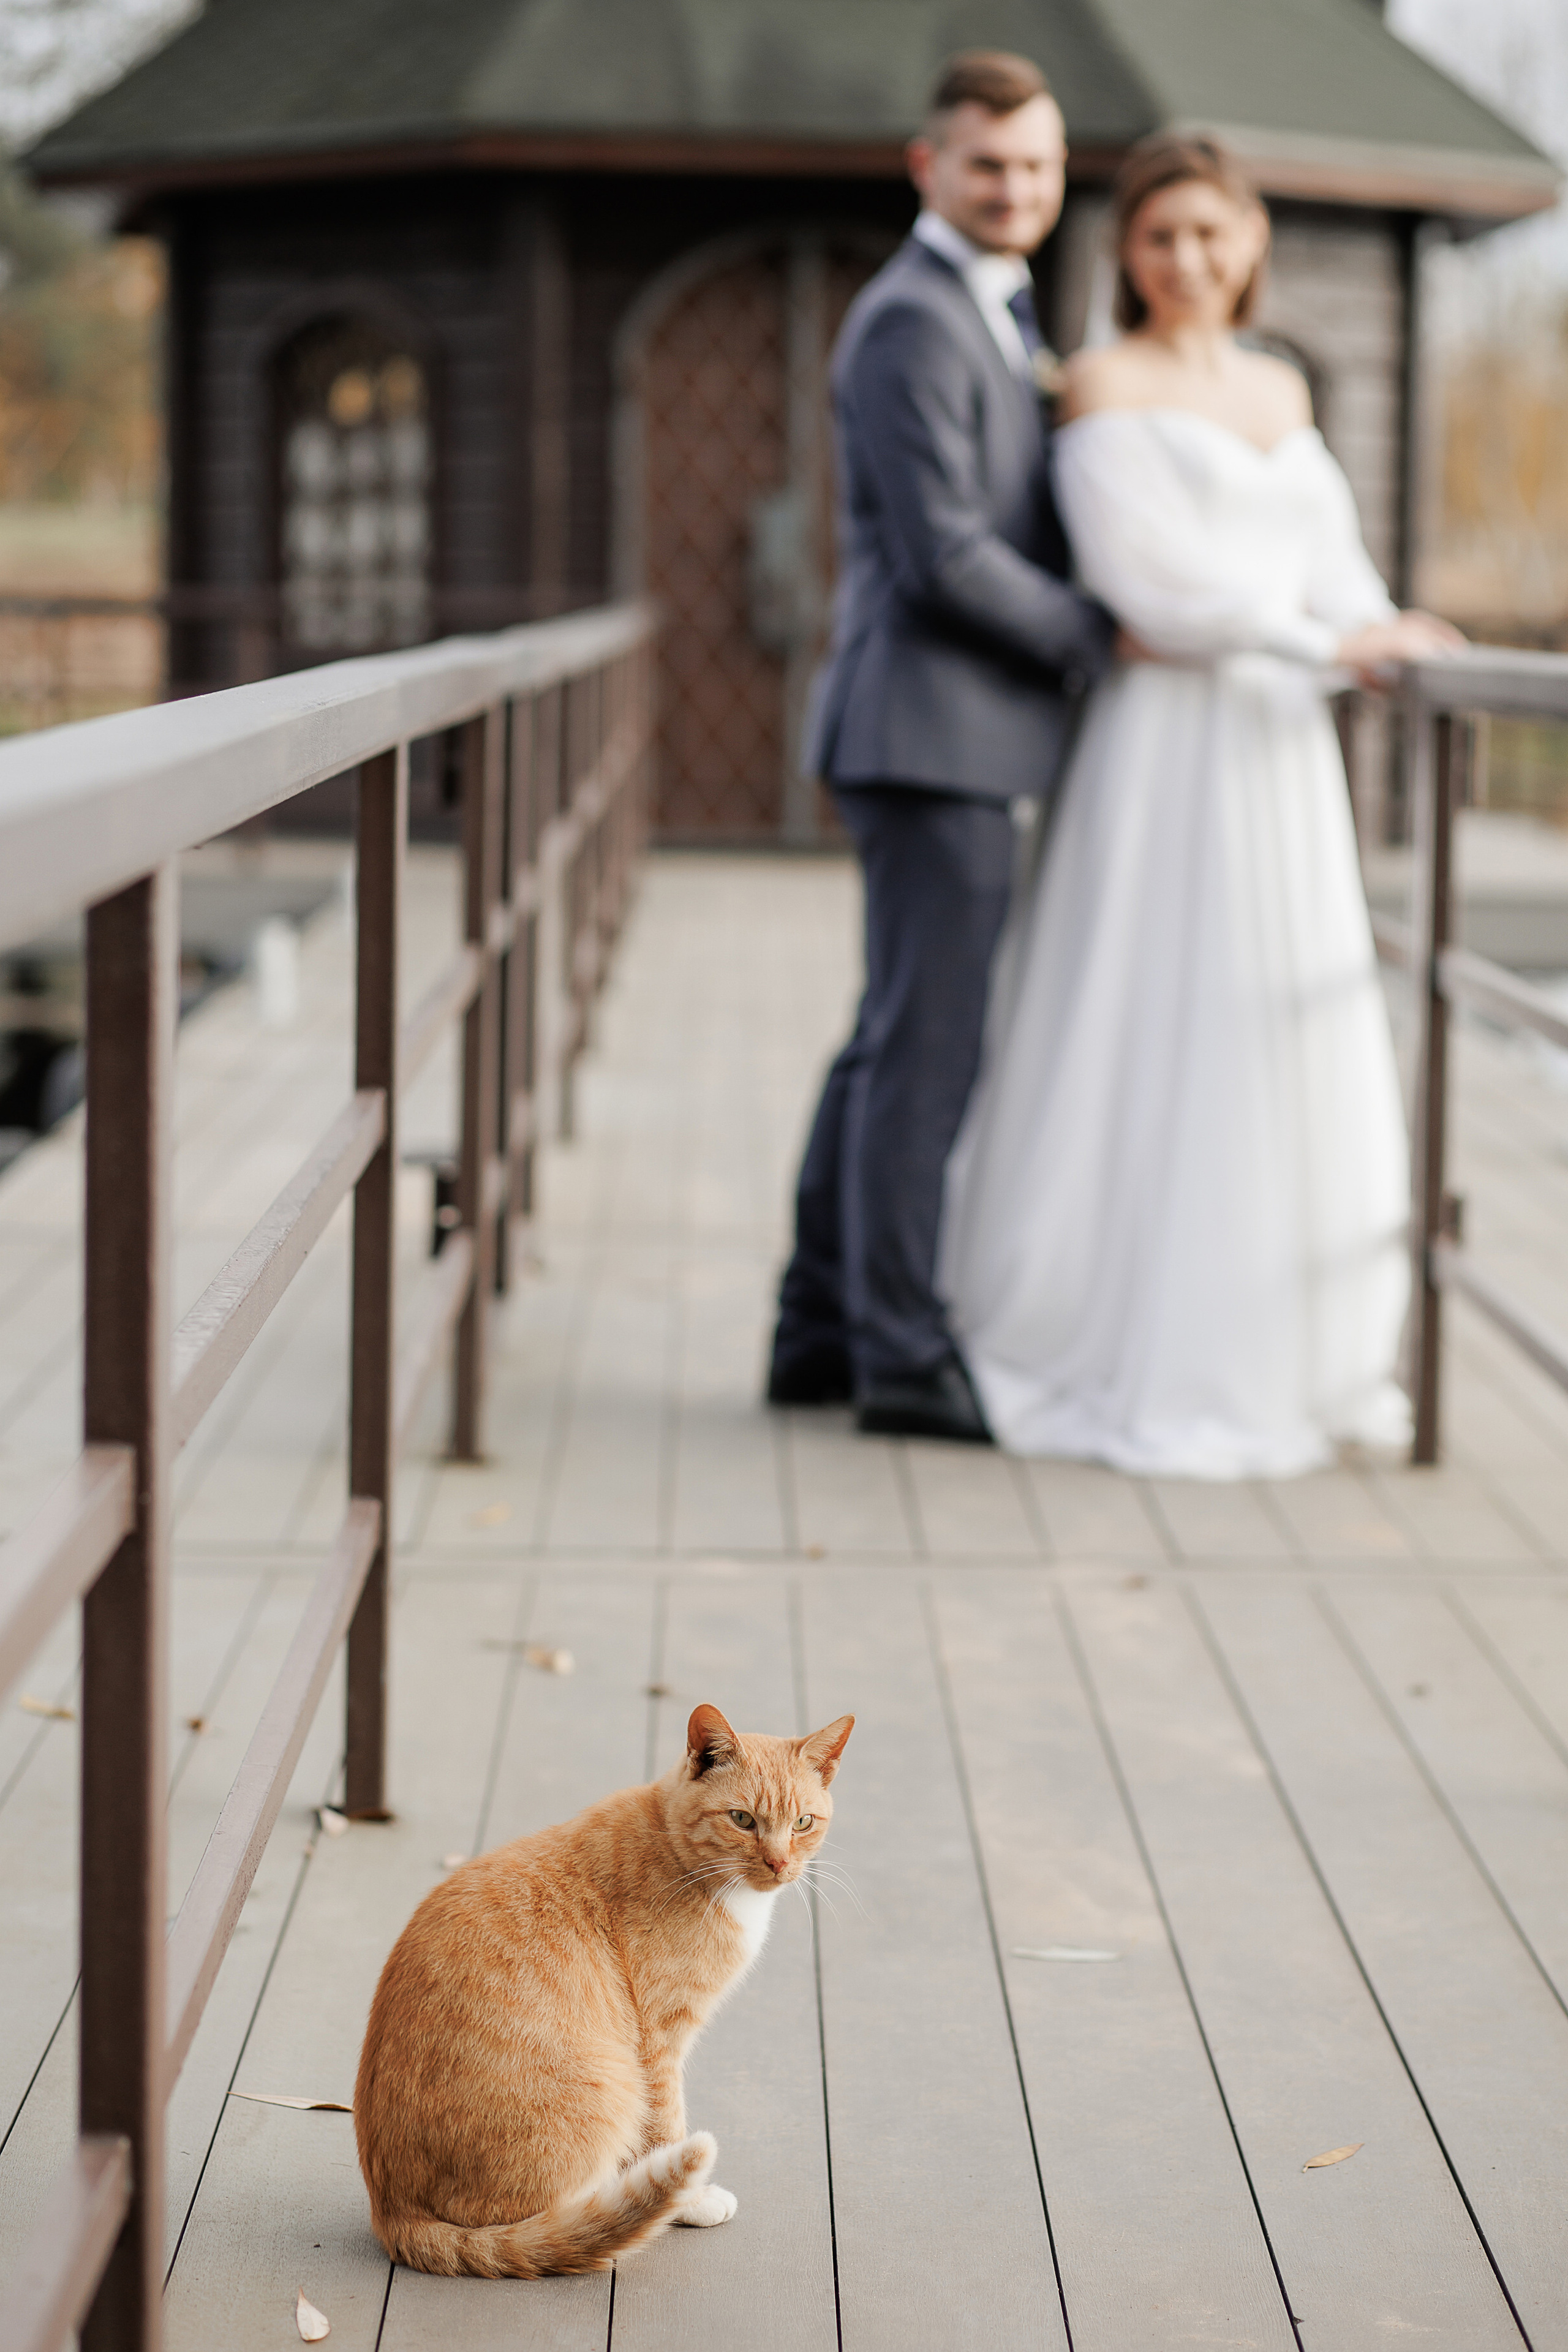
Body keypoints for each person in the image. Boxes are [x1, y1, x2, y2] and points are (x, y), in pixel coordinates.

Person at [939, 134, 1464, 1479]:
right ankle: (1115, 1332)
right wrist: (1321, 646)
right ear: (1125, 254)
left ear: (1250, 247)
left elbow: (1335, 567)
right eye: (1160, 236)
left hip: (1279, 758)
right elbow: (1145, 588)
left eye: (1210, 236)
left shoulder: (1283, 388)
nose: (1187, 261)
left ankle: (1296, 1348)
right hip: (1165, 750)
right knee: (1152, 1017)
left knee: (1277, 1025)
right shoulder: (1098, 386)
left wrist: (1381, 627)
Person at [766, 50, 1116, 1444]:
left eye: (1036, 166)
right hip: (931, 735)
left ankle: (817, 1330)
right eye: (987, 165)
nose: (1015, 189)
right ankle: (901, 1358)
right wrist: (1104, 629)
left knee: (883, 1043)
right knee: (927, 1053)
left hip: (937, 734)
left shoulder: (989, 303)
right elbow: (942, 558)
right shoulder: (913, 319)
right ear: (928, 167)